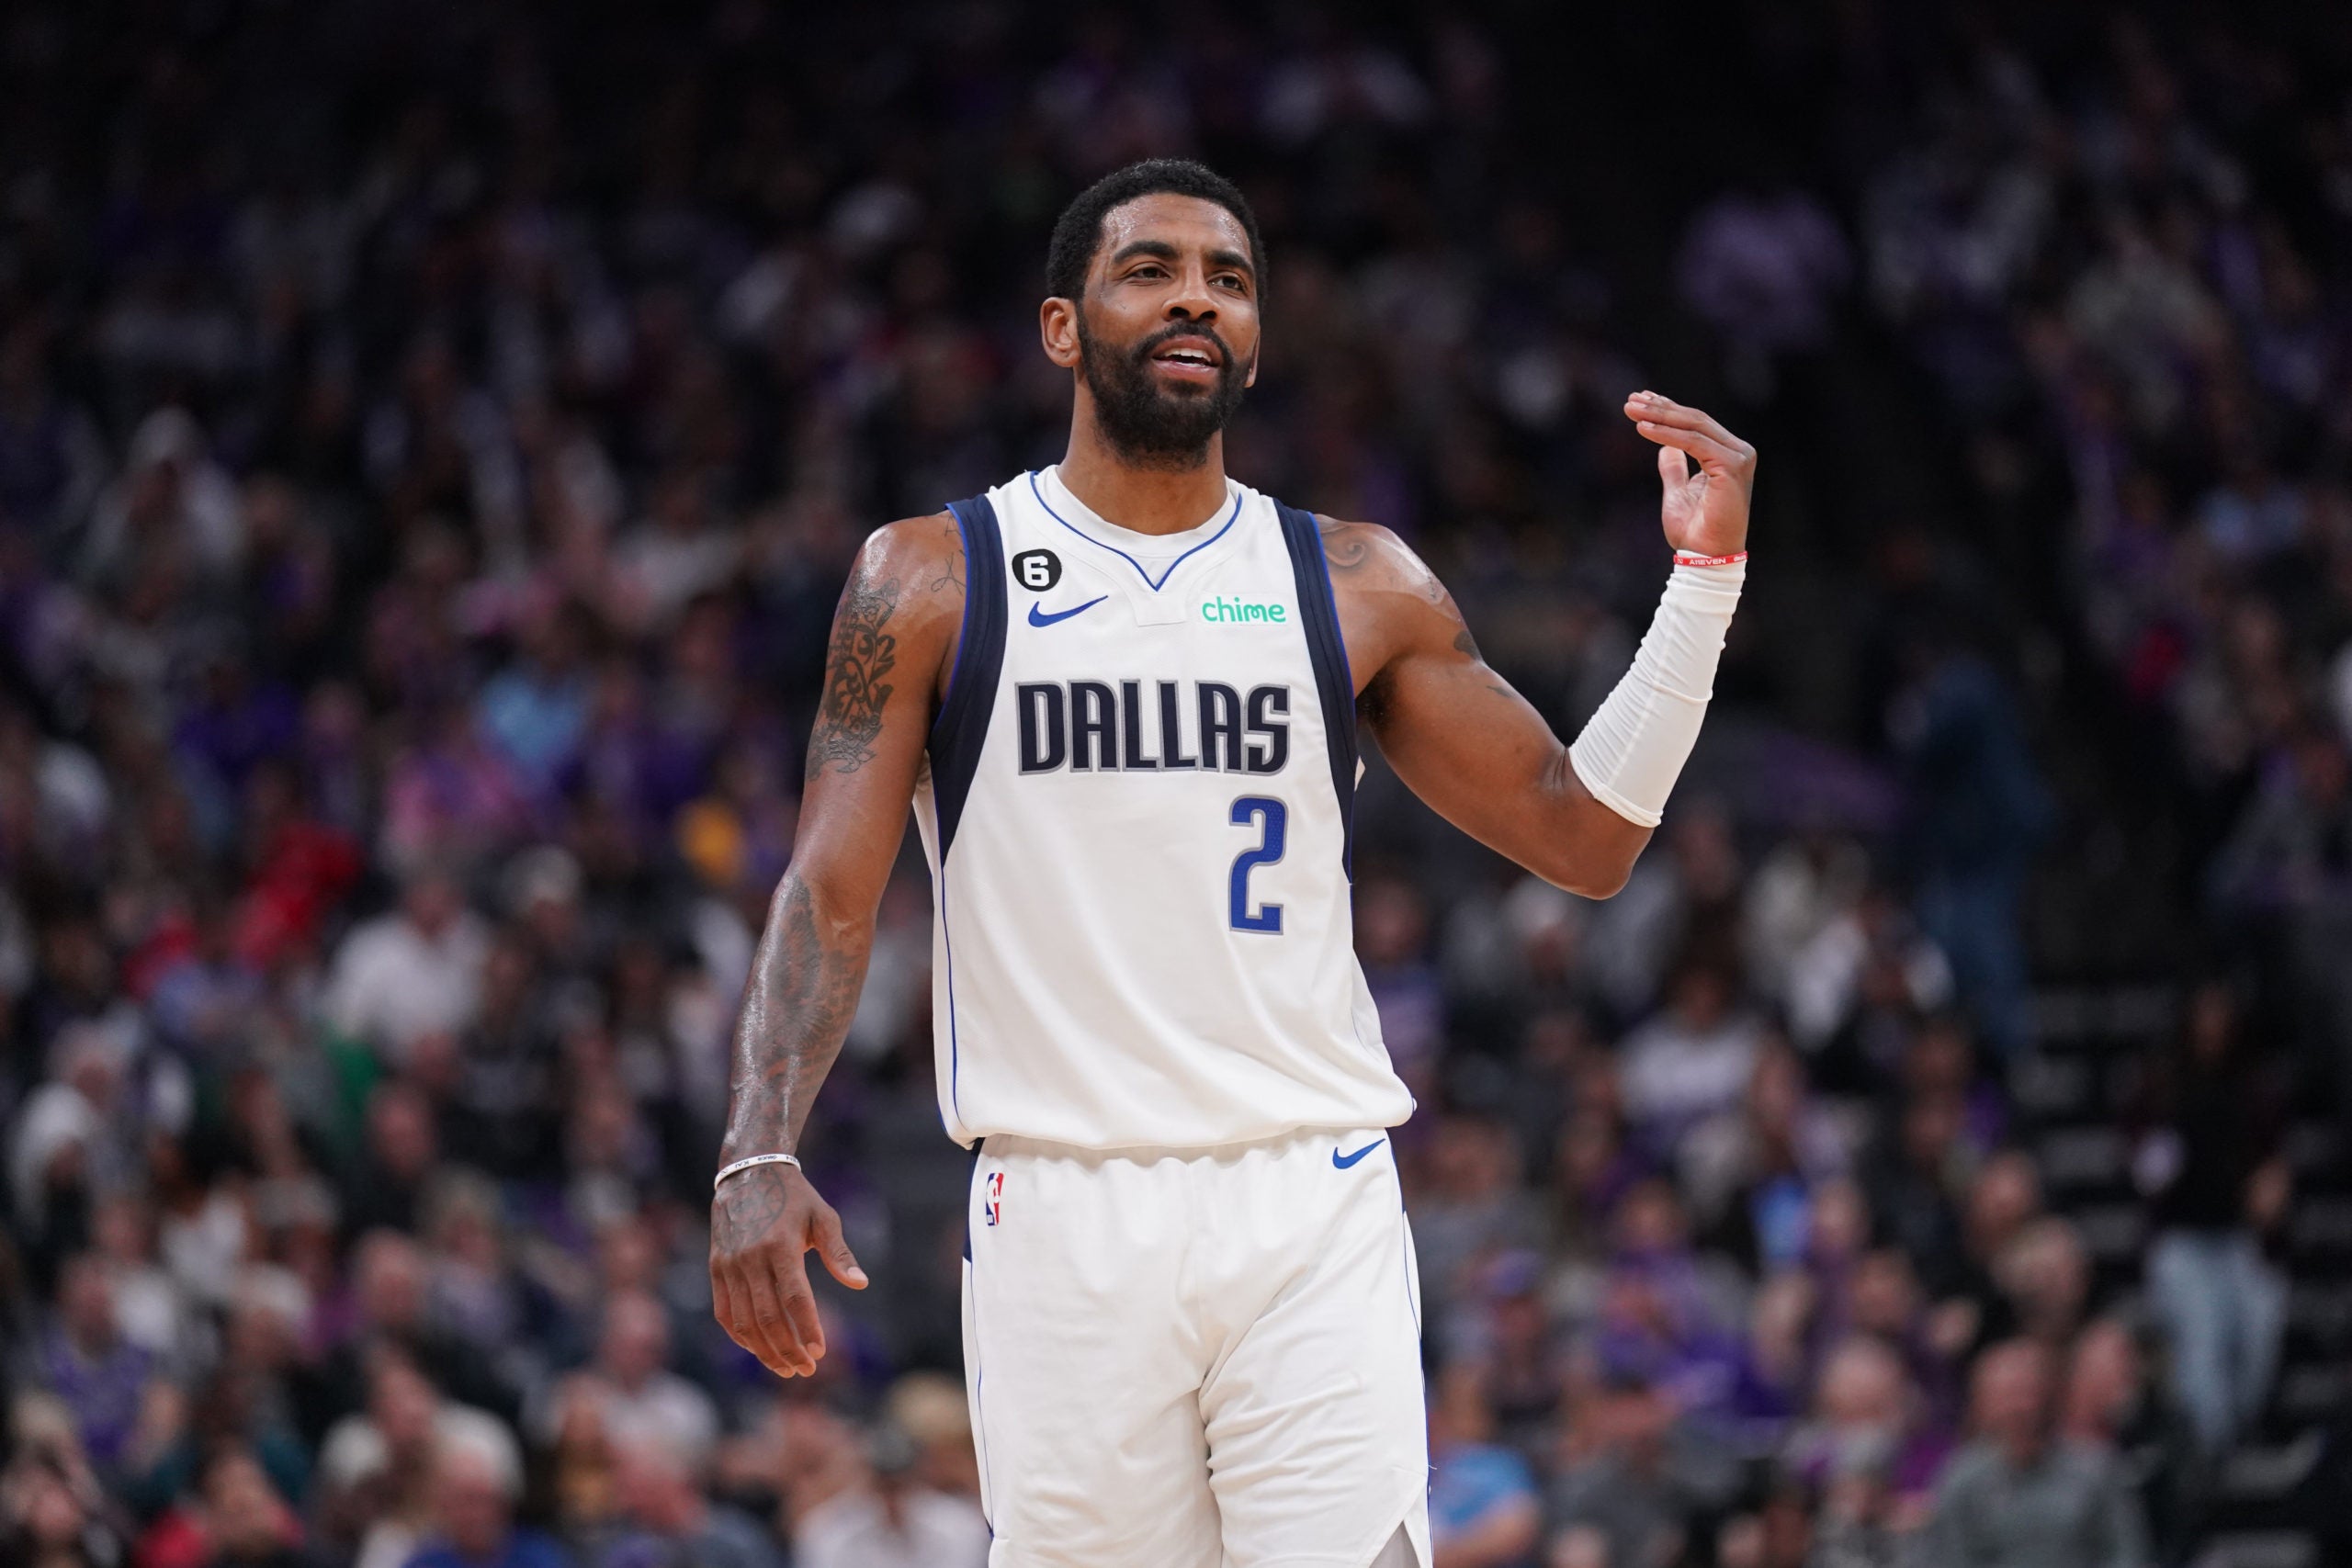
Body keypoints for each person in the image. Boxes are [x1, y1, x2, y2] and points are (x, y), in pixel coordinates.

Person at [706, 156, 1758, 1568]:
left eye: (1231, 278)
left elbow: (1587, 836)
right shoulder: (932, 575)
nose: (1198, 297)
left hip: (1306, 1188)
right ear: (1062, 326)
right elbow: (829, 889)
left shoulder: (1356, 580)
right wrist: (760, 1139)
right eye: (1152, 269)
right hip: (1063, 1198)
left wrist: (1701, 588)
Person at [1921, 1340, 2149, 1568]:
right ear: (1982, 1404)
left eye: (2025, 1392)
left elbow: (2128, 1555)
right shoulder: (1962, 1481)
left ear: (2050, 1395)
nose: (2018, 1408)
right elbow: (1948, 1559)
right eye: (2005, 1395)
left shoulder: (2097, 1469)